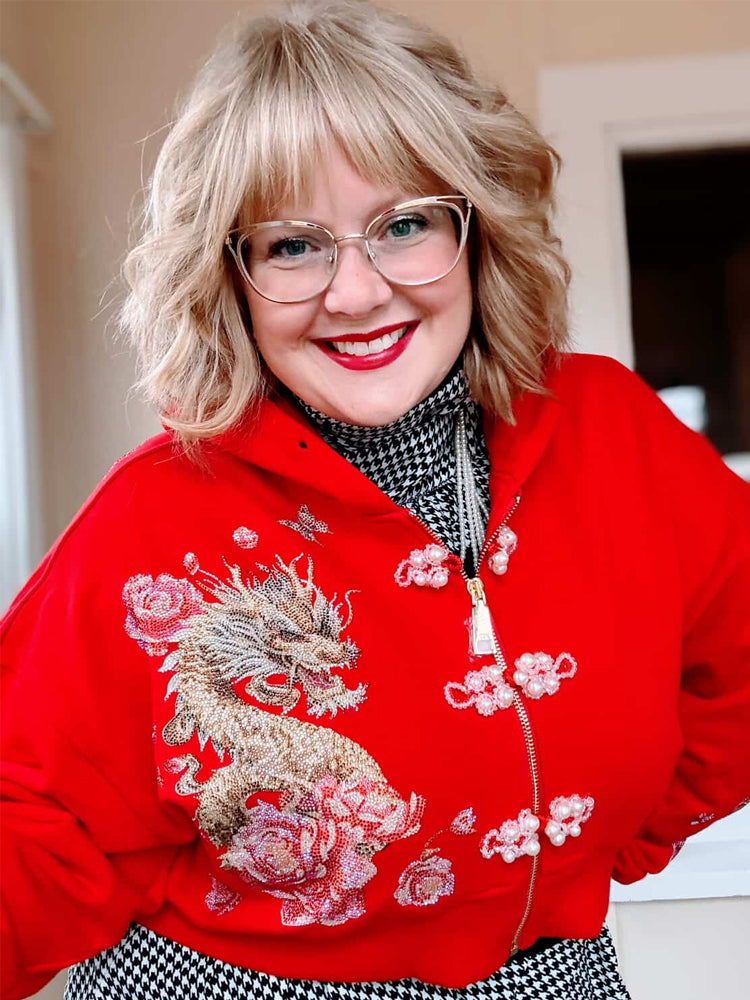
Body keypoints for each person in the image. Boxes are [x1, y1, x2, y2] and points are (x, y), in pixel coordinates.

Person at [2, 1, 749, 998]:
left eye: (403, 225)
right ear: (231, 275)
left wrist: (574, 846)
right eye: (293, 246)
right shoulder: (152, 519)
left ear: (475, 231)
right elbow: (31, 830)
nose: (355, 293)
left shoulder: (614, 431)